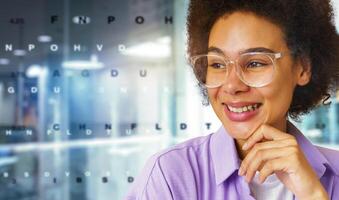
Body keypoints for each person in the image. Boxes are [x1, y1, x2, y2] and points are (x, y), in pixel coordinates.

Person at [125, 0, 339, 199]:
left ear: (303, 68)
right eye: (217, 64)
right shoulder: (170, 176)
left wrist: (313, 194)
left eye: (255, 63)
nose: (232, 85)